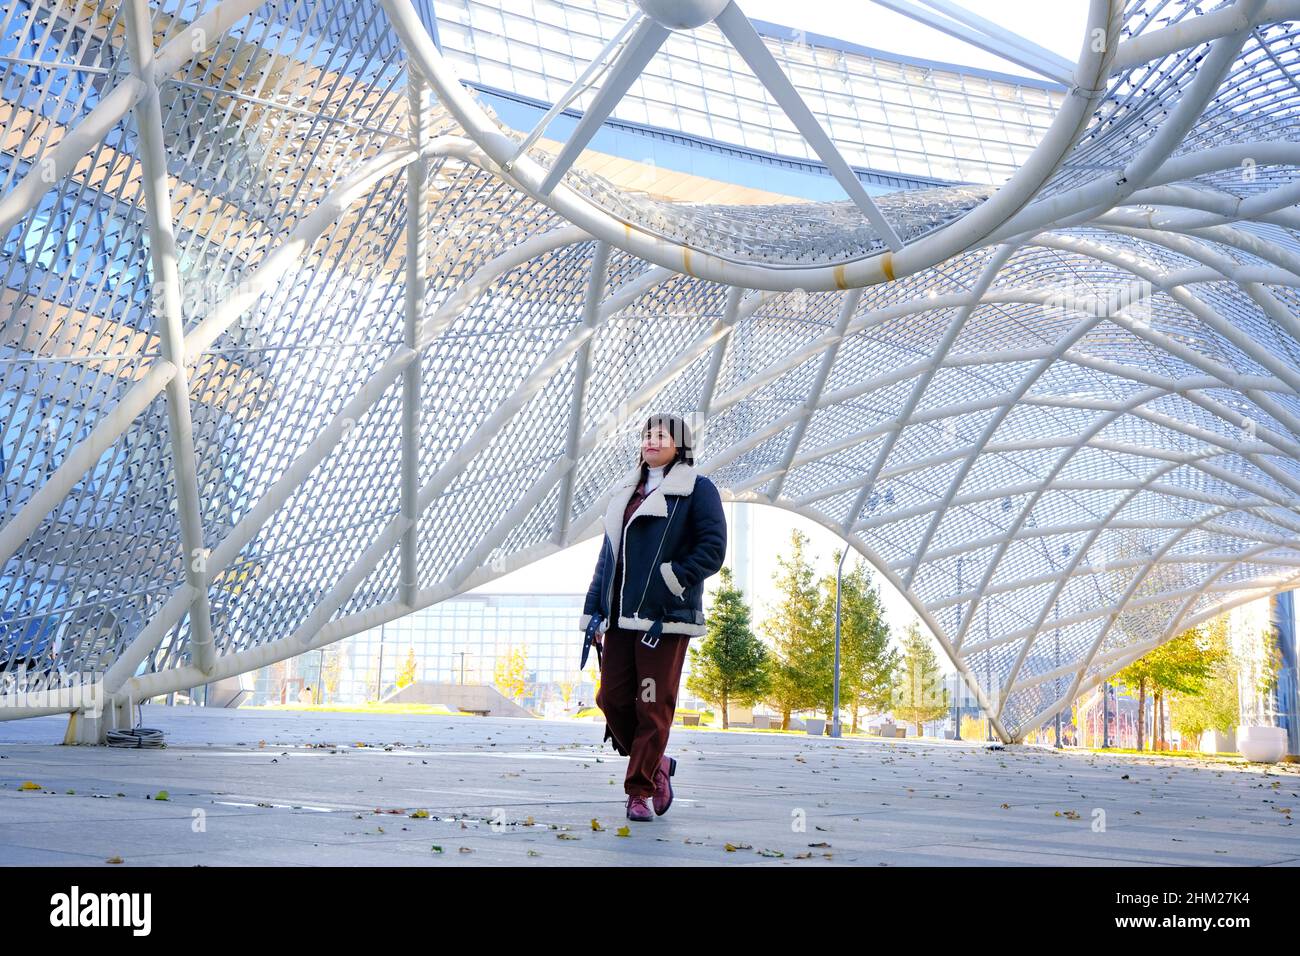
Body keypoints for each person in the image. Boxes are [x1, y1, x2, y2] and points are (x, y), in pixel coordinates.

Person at [580, 413, 727, 821]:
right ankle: (658, 763)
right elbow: (607, 558)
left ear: (680, 444)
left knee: (651, 704)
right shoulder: (626, 492)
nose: (651, 439)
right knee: (610, 697)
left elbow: (712, 548)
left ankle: (639, 790)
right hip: (620, 618)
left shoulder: (697, 489)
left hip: (664, 618)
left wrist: (672, 579)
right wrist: (594, 611)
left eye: (661, 434)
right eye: (646, 433)